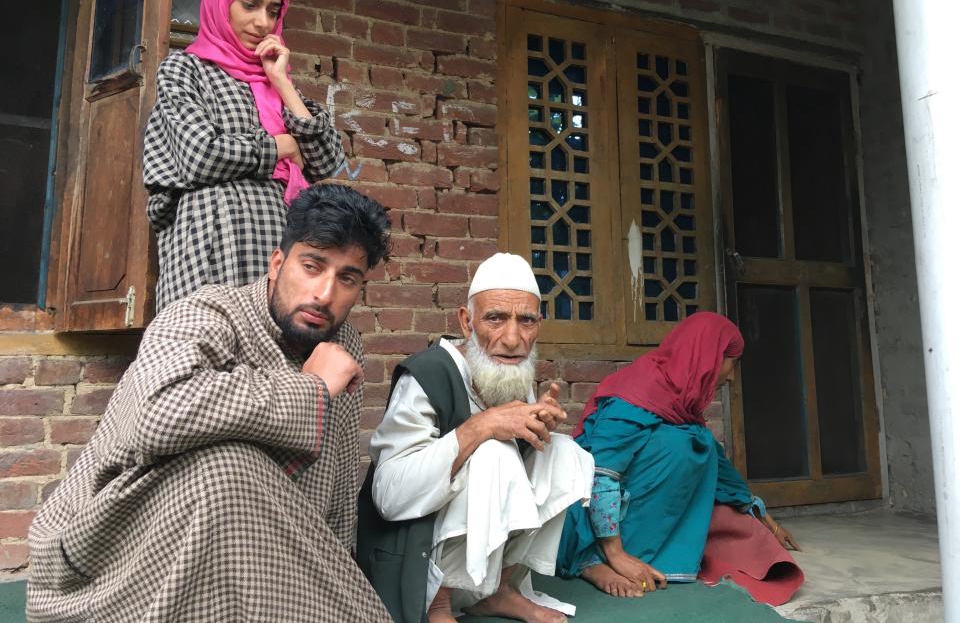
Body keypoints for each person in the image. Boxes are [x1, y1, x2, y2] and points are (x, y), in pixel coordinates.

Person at [28, 185, 392, 623]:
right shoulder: (205, 314)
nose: (324, 293)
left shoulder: (342, 344)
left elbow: (333, 485)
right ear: (277, 264)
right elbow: (156, 417)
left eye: (347, 278)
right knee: (228, 466)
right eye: (311, 266)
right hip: (102, 553)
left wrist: (330, 576)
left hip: (253, 551)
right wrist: (310, 389)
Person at [357, 253, 595, 623]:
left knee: (563, 452)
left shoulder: (509, 371)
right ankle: (438, 605)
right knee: (492, 452)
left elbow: (516, 472)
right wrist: (481, 427)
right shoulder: (427, 373)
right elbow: (389, 496)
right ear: (467, 322)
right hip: (413, 559)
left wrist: (534, 432)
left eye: (526, 321)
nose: (513, 338)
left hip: (473, 563)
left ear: (539, 325)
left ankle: (499, 589)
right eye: (496, 318)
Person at [143, 0, 345, 311]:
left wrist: (281, 82)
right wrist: (281, 146)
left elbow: (326, 160)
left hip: (278, 250)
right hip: (210, 247)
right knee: (204, 352)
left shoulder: (275, 83)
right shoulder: (185, 71)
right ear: (221, 1)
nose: (263, 23)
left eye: (273, 11)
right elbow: (200, 156)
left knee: (277, 360)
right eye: (249, 5)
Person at [556, 312, 804, 605]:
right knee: (677, 445)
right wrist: (616, 555)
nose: (732, 376)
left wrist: (768, 522)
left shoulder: (681, 404)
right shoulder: (636, 392)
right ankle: (591, 562)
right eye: (731, 363)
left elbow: (723, 474)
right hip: (588, 518)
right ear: (708, 357)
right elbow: (601, 476)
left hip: (635, 517)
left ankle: (645, 553)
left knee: (701, 450)